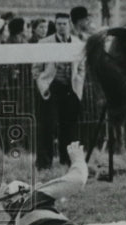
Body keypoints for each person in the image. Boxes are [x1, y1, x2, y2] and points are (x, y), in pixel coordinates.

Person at [33, 12, 86, 169]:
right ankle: (44, 163)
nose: (61, 27)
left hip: (70, 88)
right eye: (58, 24)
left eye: (64, 24)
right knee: (47, 126)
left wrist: (78, 82)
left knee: (69, 126)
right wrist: (42, 84)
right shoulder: (44, 43)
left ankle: (67, 161)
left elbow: (82, 67)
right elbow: (36, 68)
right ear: (54, 25)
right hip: (51, 86)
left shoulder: (77, 43)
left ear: (69, 24)